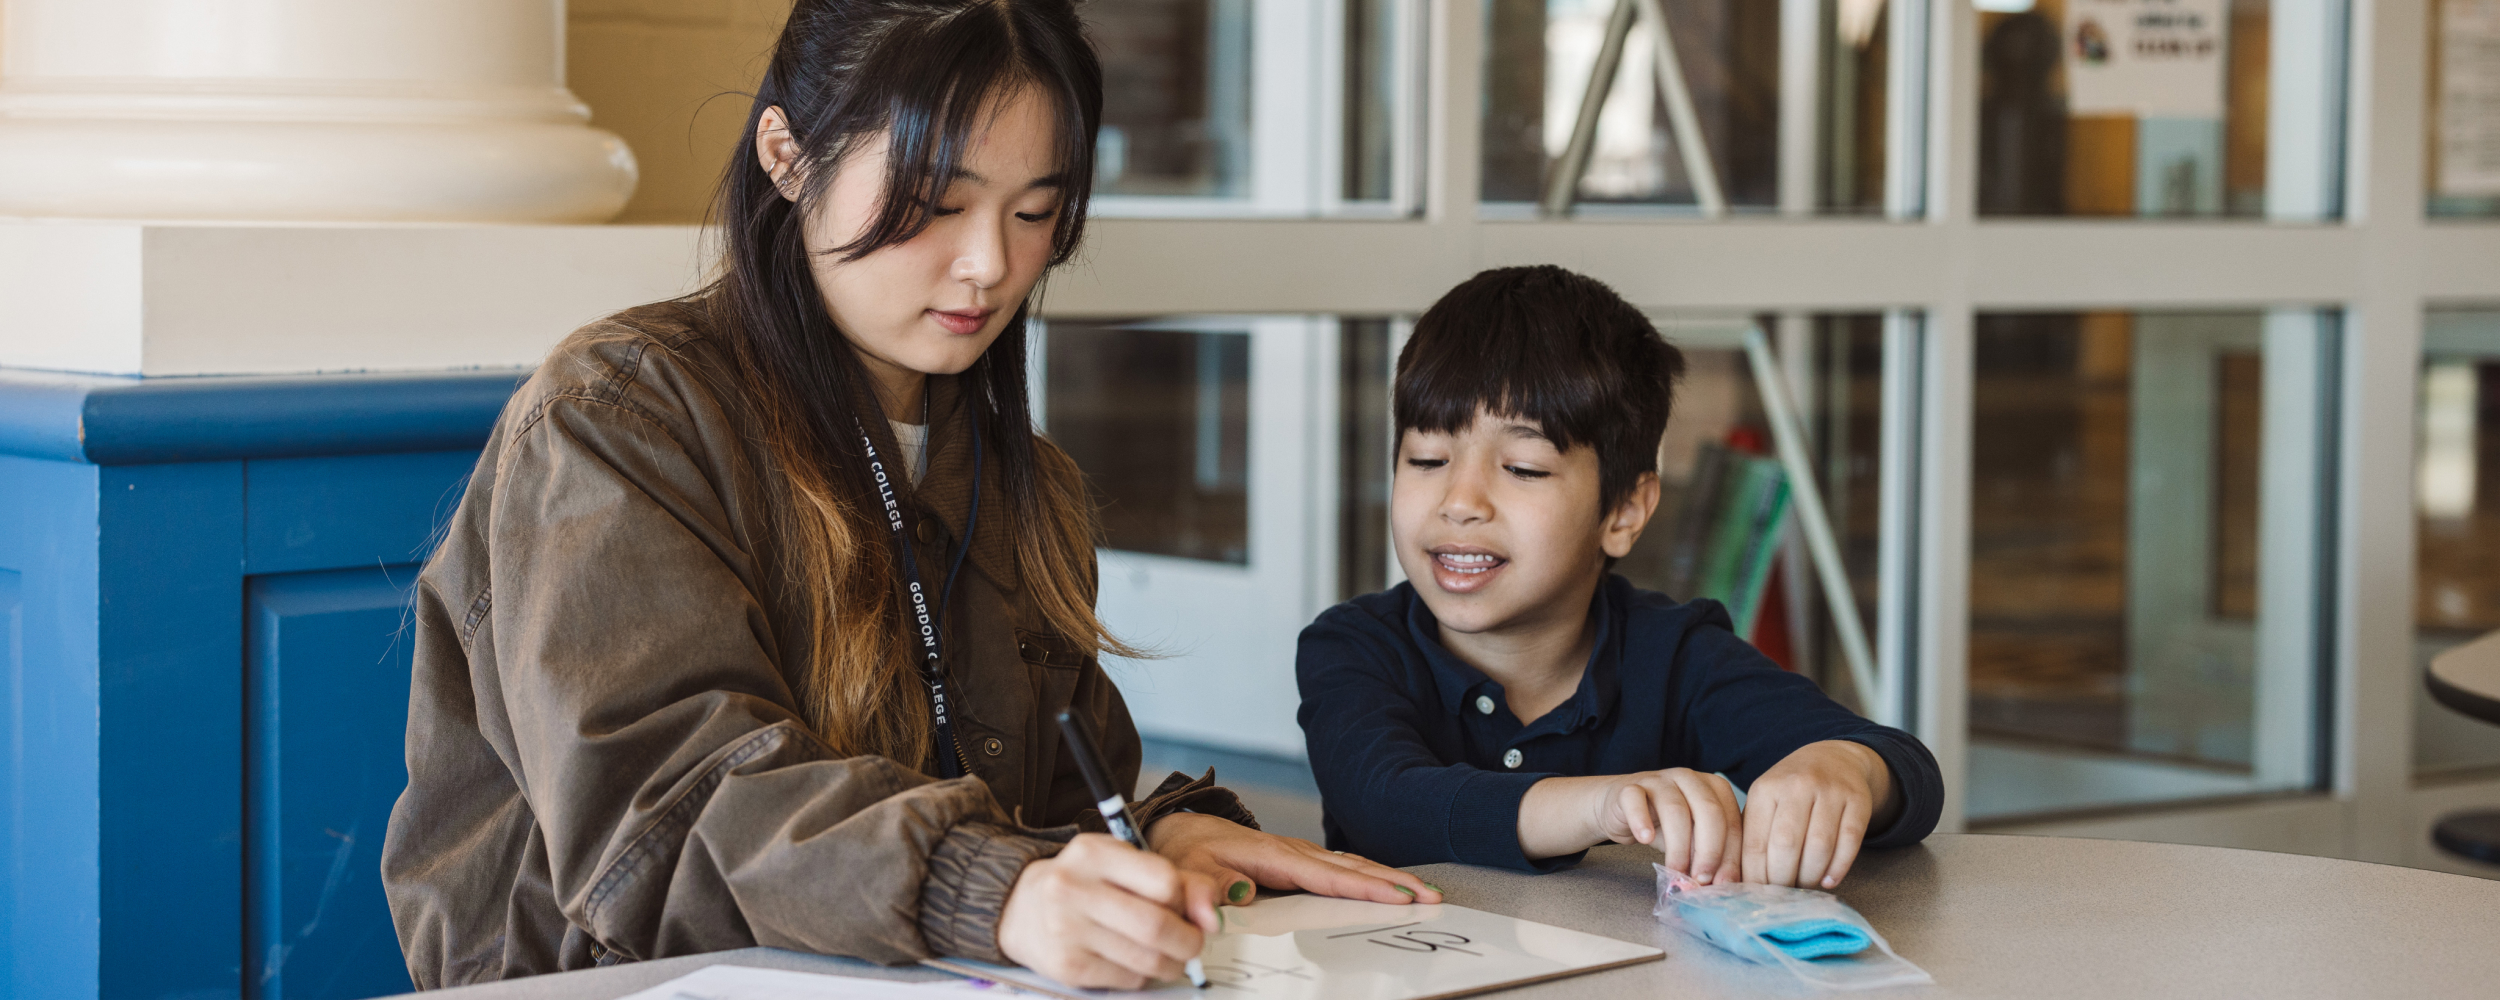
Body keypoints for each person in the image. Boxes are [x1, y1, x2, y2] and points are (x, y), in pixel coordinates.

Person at [380, 0, 1436, 990]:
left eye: (1036, 211)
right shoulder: (619, 417)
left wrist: (1146, 840)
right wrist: (988, 888)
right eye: (937, 203)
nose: (990, 264)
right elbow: (664, 812)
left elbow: (1052, 799)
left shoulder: (1024, 478)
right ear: (787, 157)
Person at [1295, 266, 1943, 888]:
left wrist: (1845, 767)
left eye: (1523, 469)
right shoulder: (1354, 648)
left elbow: (1905, 770)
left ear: (1624, 510)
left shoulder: (1675, 655)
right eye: (1427, 458)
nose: (1460, 501)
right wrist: (1603, 805)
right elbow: (1390, 806)